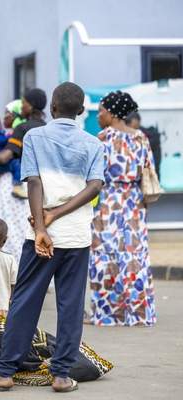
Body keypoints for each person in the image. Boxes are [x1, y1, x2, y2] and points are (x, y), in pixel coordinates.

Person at [0, 82, 104, 393]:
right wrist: (58, 215)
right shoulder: (93, 144)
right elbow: (95, 186)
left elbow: (34, 182)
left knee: (25, 301)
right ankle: (61, 376)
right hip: (76, 236)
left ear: (54, 109)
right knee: (70, 305)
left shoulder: (35, 136)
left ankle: (3, 373)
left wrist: (43, 227)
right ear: (81, 112)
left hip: (43, 237)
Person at [90, 91, 156, 327]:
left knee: (105, 255)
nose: (99, 116)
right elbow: (148, 171)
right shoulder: (141, 138)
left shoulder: (102, 138)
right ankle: (138, 312)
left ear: (112, 113)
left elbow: (94, 174)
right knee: (133, 255)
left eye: (101, 111)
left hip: (108, 200)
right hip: (135, 202)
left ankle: (107, 313)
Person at [0, 89, 47, 262]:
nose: (22, 105)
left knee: (14, 228)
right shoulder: (46, 128)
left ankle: (15, 268)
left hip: (21, 185)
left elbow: (6, 156)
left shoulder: (23, 128)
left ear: (32, 105)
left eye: (24, 102)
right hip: (43, 186)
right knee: (34, 227)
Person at [126, 111, 162, 179]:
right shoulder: (136, 133)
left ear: (136, 121)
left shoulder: (142, 134)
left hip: (152, 161)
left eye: (129, 122)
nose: (128, 126)